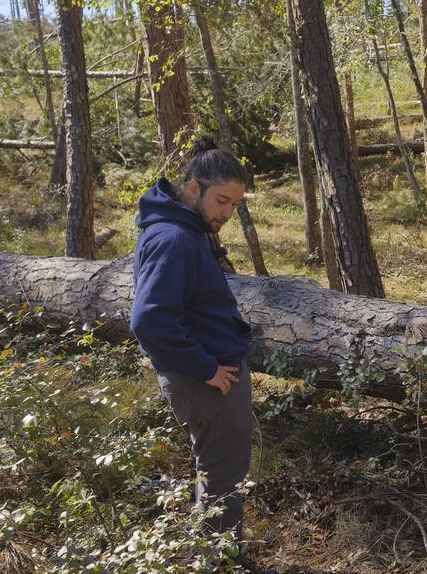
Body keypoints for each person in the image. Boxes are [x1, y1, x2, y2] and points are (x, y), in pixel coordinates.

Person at [129, 137, 255, 551]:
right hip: (207, 380)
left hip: (210, 372)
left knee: (217, 471)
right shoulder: (174, 239)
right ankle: (218, 562)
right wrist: (207, 369)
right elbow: (149, 320)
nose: (228, 213)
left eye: (235, 205)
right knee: (222, 476)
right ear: (194, 188)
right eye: (223, 201)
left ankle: (209, 556)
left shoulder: (189, 227)